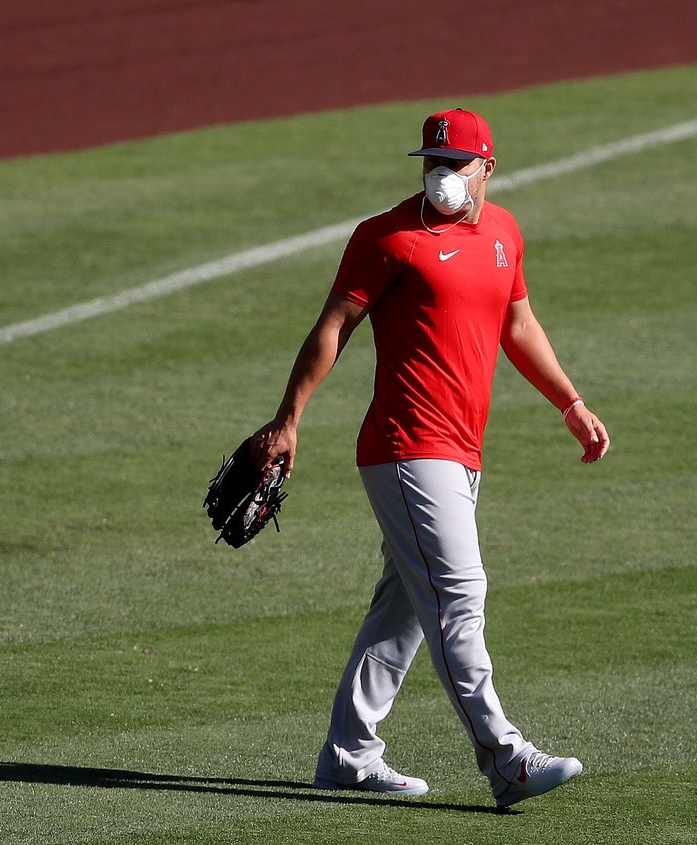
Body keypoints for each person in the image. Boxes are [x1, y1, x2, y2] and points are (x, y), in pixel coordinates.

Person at [250, 108, 610, 808]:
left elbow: (519, 324)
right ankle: (507, 758)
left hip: (460, 451)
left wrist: (570, 403)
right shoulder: (386, 238)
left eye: (455, 165)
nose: (441, 176)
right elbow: (332, 327)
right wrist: (288, 418)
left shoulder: (504, 233)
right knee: (458, 595)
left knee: (407, 608)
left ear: (488, 169)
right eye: (431, 164)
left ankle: (349, 753)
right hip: (405, 446)